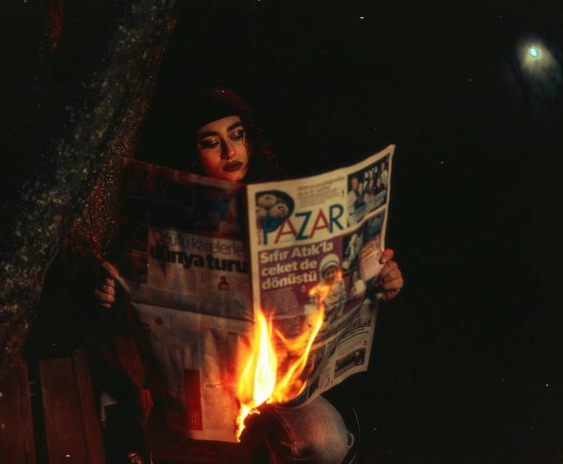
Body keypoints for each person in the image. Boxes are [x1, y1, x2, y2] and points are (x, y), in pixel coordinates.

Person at [95, 86, 404, 463]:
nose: (230, 152)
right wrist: (109, 294)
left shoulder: (283, 206)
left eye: (236, 135)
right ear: (190, 154)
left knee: (327, 441)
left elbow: (335, 282)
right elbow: (134, 306)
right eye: (212, 143)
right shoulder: (161, 226)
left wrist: (380, 278)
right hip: (200, 392)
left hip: (278, 390)